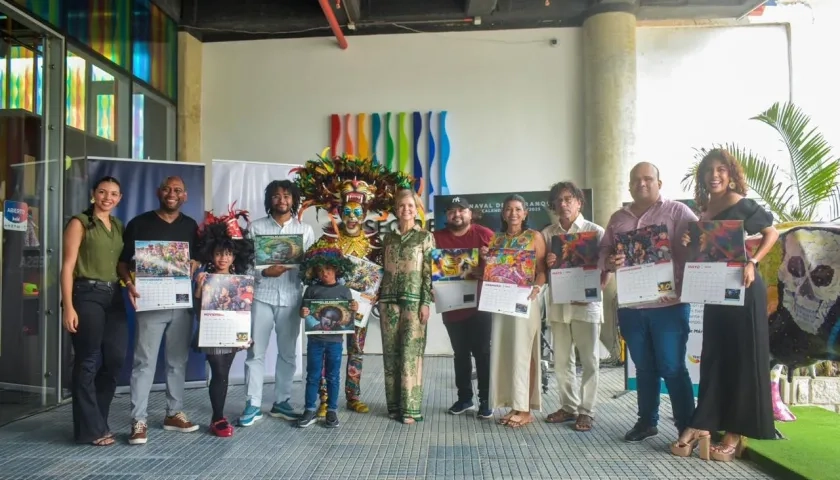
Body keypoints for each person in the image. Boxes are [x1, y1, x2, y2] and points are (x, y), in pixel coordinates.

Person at [672, 149, 778, 461]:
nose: (714, 175)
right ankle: (704, 422)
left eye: (721, 170)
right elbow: (704, 249)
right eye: (709, 171)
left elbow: (772, 233)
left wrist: (753, 262)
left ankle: (735, 433)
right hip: (716, 289)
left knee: (743, 356)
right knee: (715, 356)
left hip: (743, 286)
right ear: (702, 177)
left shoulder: (742, 203)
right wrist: (692, 242)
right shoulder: (703, 209)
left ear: (730, 174)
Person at [600, 162, 698, 442]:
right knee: (644, 366)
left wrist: (693, 241)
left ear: (659, 182)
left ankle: (686, 426)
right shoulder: (618, 217)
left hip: (669, 304)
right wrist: (608, 260)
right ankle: (647, 421)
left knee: (672, 366)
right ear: (629, 185)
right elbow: (605, 248)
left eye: (647, 179)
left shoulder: (677, 211)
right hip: (631, 306)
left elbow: (701, 240)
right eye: (635, 180)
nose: (641, 184)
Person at [293, 150, 392, 416]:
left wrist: (375, 298)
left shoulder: (374, 244)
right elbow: (309, 269)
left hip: (358, 310)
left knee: (356, 352)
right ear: (339, 213)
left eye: (356, 212)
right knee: (326, 353)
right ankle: (325, 399)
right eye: (347, 211)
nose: (351, 217)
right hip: (329, 309)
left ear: (364, 214)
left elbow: (382, 275)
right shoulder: (327, 240)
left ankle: (352, 395)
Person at [118, 176, 201, 445]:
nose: (172, 193)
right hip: (150, 303)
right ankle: (138, 420)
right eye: (167, 189)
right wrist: (129, 283)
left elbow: (198, 257)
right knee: (144, 363)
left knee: (177, 362)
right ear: (158, 192)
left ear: (185, 196)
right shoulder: (139, 223)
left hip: (180, 303)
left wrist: (195, 263)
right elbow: (121, 263)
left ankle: (173, 413)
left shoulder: (190, 226)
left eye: (178, 190)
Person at [239, 180, 315, 426]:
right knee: (255, 352)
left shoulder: (305, 231)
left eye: (286, 196)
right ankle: (252, 404)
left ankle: (282, 401)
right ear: (269, 200)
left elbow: (313, 268)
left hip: (292, 298)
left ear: (294, 200)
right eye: (276, 196)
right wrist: (263, 273)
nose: (282, 200)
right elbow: (244, 266)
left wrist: (307, 271)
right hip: (261, 296)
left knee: (288, 354)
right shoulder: (256, 228)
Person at [61, 176, 126, 446]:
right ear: (93, 194)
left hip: (114, 295)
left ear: (119, 198)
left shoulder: (118, 225)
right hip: (86, 294)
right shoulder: (80, 222)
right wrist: (68, 306)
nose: (107, 197)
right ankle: (91, 429)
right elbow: (67, 266)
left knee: (115, 359)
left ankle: (97, 420)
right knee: (87, 361)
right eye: (102, 192)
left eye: (113, 194)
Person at [542, 181, 607, 432]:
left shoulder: (595, 232)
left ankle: (587, 411)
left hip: (586, 305)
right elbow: (540, 271)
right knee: (561, 360)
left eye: (568, 199)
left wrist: (594, 290)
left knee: (589, 360)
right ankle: (568, 407)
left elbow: (606, 271)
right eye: (558, 200)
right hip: (559, 305)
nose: (563, 204)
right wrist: (548, 263)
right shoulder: (548, 234)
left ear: (579, 202)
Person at [483, 194, 547, 428]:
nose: (513, 213)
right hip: (501, 302)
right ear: (503, 213)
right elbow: (491, 270)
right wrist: (485, 259)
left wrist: (537, 288)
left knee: (525, 353)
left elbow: (542, 270)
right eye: (509, 209)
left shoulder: (534, 237)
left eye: (518, 209)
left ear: (525, 212)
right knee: (506, 353)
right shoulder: (496, 239)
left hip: (525, 300)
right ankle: (514, 404)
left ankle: (526, 409)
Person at [193, 206, 255, 437]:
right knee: (219, 373)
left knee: (224, 374)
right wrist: (199, 287)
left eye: (227, 254)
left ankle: (216, 416)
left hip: (232, 332)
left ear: (234, 255)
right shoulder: (205, 278)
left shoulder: (240, 281)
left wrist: (246, 331)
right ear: (211, 254)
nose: (223, 258)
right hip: (211, 332)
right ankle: (218, 417)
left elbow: (244, 310)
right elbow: (198, 310)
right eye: (219, 253)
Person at [432, 196, 494, 418]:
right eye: (451, 211)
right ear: (446, 215)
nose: (456, 215)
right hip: (451, 305)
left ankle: (486, 400)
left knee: (483, 353)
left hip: (481, 304)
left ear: (470, 213)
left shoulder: (484, 234)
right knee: (460, 354)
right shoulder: (436, 238)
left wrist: (485, 271)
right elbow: (428, 268)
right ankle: (464, 398)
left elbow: (502, 265)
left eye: (461, 210)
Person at [379, 188, 435, 424]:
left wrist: (426, 302)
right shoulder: (388, 238)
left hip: (414, 303)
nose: (406, 209)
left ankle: (410, 409)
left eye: (410, 205)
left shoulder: (424, 237)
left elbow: (429, 274)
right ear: (395, 209)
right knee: (391, 355)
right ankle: (393, 406)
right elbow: (381, 269)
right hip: (388, 302)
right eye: (402, 205)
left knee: (411, 356)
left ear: (417, 208)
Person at [296, 244, 359, 428]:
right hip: (315, 341)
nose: (325, 273)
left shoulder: (344, 291)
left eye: (329, 269)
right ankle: (309, 409)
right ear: (315, 271)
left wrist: (354, 309)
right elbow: (303, 313)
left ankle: (332, 410)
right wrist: (304, 312)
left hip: (335, 343)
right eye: (321, 270)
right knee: (312, 375)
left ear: (337, 269)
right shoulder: (311, 290)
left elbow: (350, 317)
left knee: (333, 376)